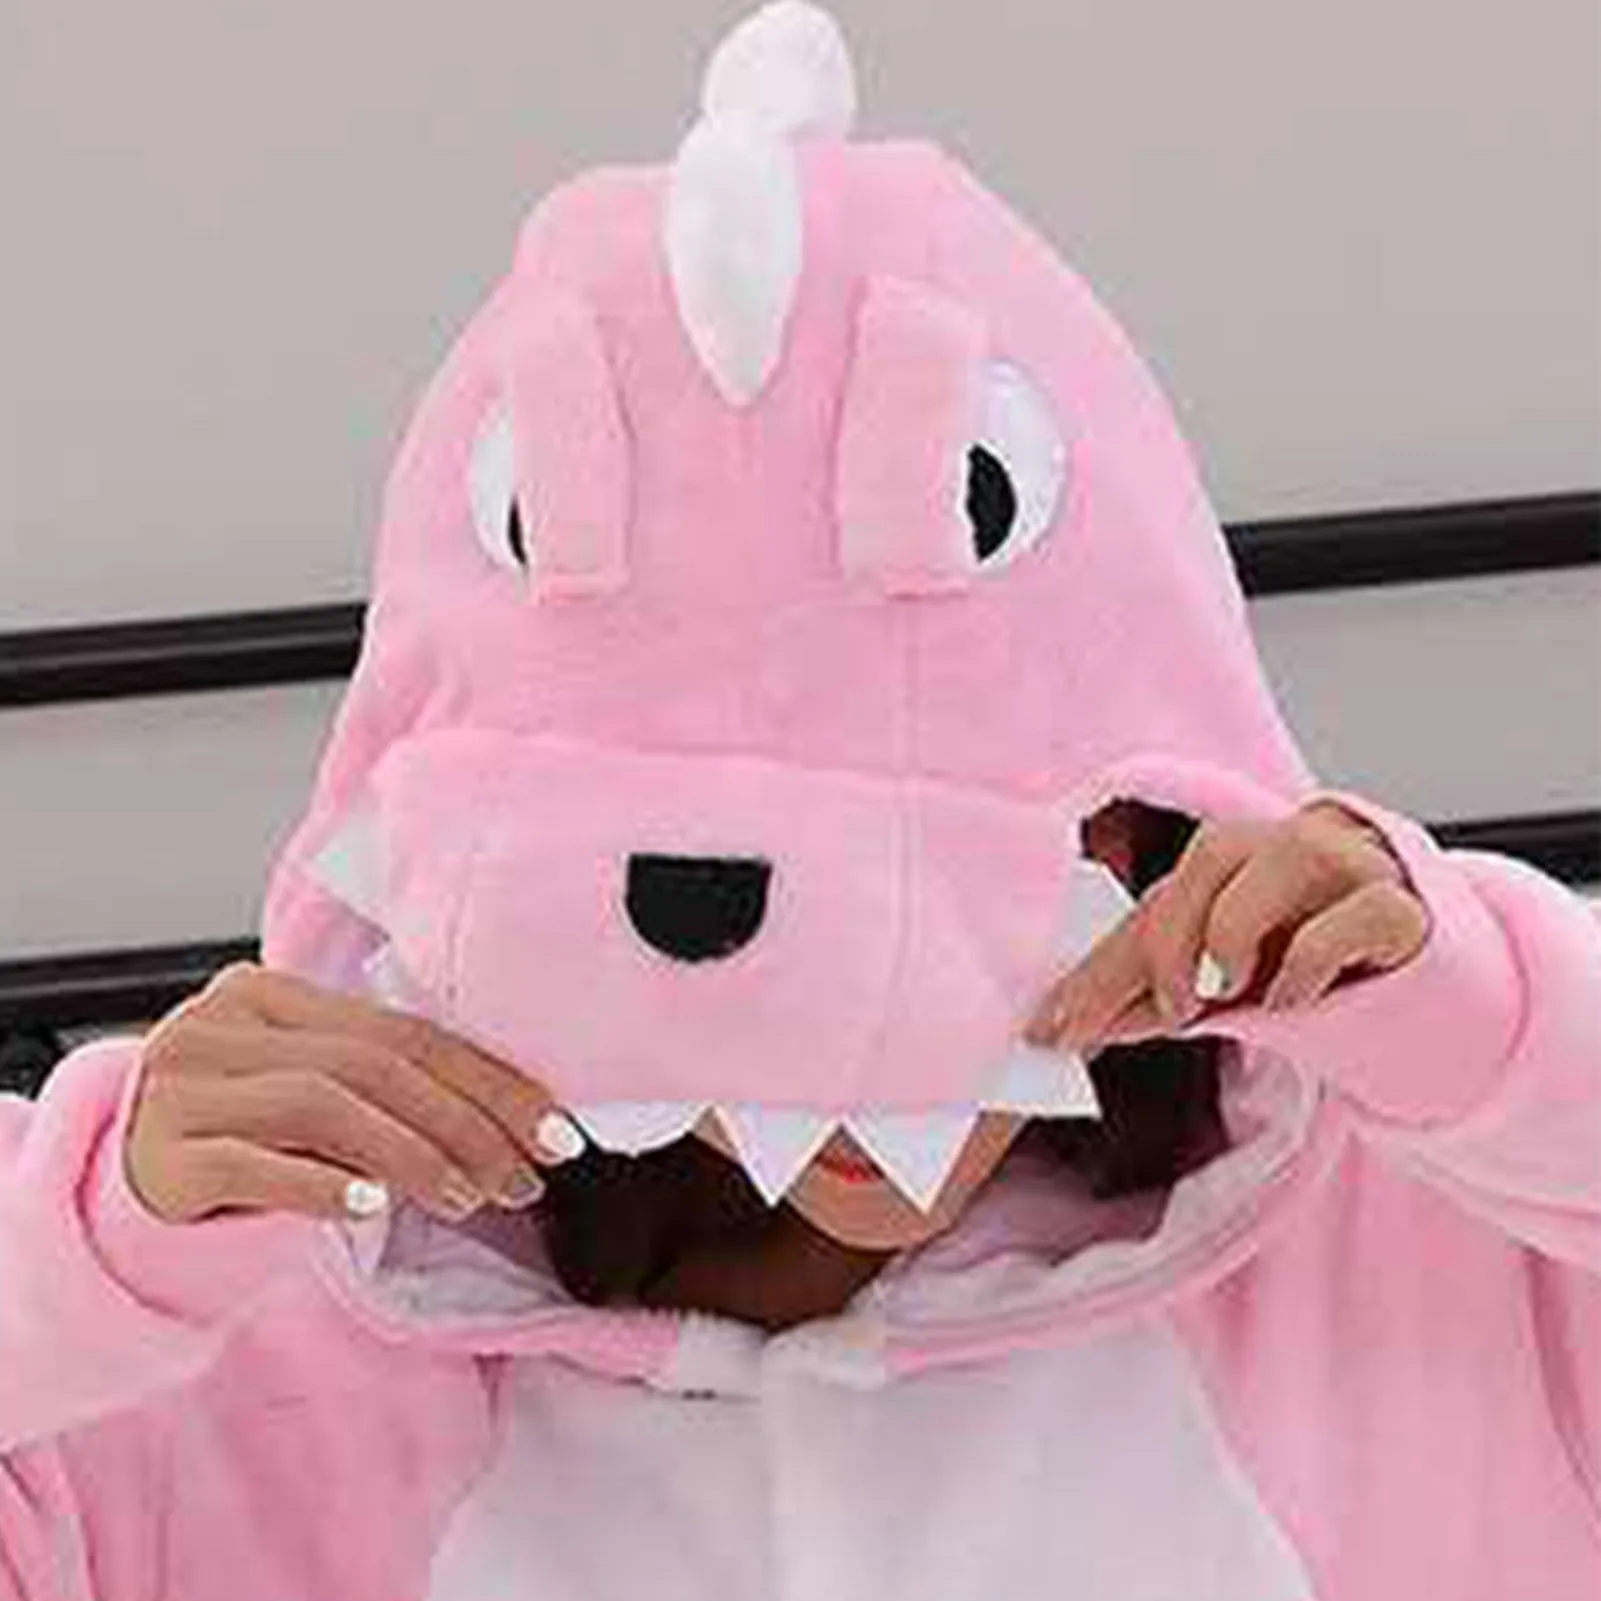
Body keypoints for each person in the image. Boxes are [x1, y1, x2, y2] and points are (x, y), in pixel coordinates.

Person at [3, 6, 1598, 1598]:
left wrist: (1498, 1025)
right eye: (720, 905)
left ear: (1151, 825)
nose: (846, 1035)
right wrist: (76, 1256)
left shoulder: (1430, 1259)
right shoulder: (225, 1355)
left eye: (960, 874)